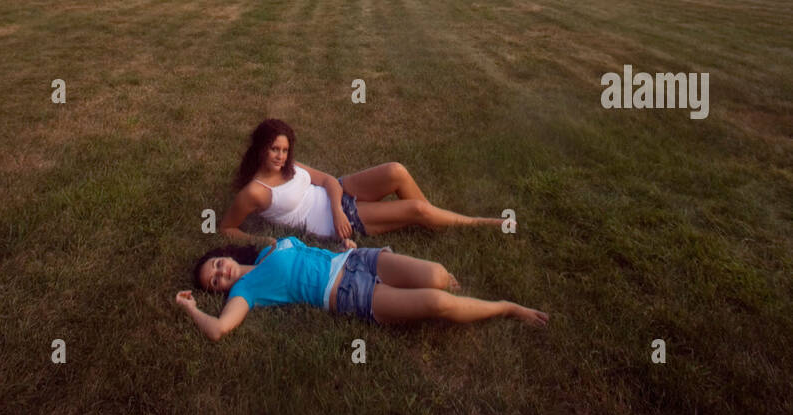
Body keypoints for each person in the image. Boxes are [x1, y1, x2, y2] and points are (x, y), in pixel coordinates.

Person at [175, 236, 549, 338]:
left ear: (222, 255)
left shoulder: (273, 247)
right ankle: (506, 307)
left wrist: (344, 247)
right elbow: (220, 330)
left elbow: (310, 250)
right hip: (349, 293)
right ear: (222, 291)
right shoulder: (246, 293)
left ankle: (453, 288)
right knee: (439, 302)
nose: (221, 274)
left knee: (438, 274)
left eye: (216, 266)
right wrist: (192, 309)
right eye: (215, 282)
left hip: (357, 260)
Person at [219, 119, 503, 245]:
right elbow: (227, 228)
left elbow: (328, 179)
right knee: (416, 209)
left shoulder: (288, 166)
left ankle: (433, 218)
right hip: (336, 223)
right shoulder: (255, 192)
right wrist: (262, 240)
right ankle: (479, 223)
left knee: (396, 170)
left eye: (284, 149)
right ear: (260, 149)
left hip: (339, 199)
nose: (281, 156)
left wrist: (337, 206)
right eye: (274, 149)